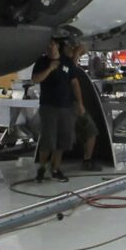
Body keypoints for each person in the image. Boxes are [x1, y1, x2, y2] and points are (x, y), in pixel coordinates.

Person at [31, 38, 76, 183]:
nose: (50, 47)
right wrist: (50, 68)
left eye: (52, 44)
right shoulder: (42, 62)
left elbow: (74, 82)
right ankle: (42, 167)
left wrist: (79, 102)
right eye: (47, 44)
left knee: (62, 140)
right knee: (48, 139)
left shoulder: (66, 62)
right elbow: (36, 79)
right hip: (49, 107)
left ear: (57, 45)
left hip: (65, 106)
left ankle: (56, 168)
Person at [68, 42, 101, 171]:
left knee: (90, 130)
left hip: (74, 105)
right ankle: (86, 159)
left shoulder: (69, 65)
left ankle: (87, 159)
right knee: (90, 130)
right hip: (70, 105)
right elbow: (72, 70)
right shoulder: (65, 64)